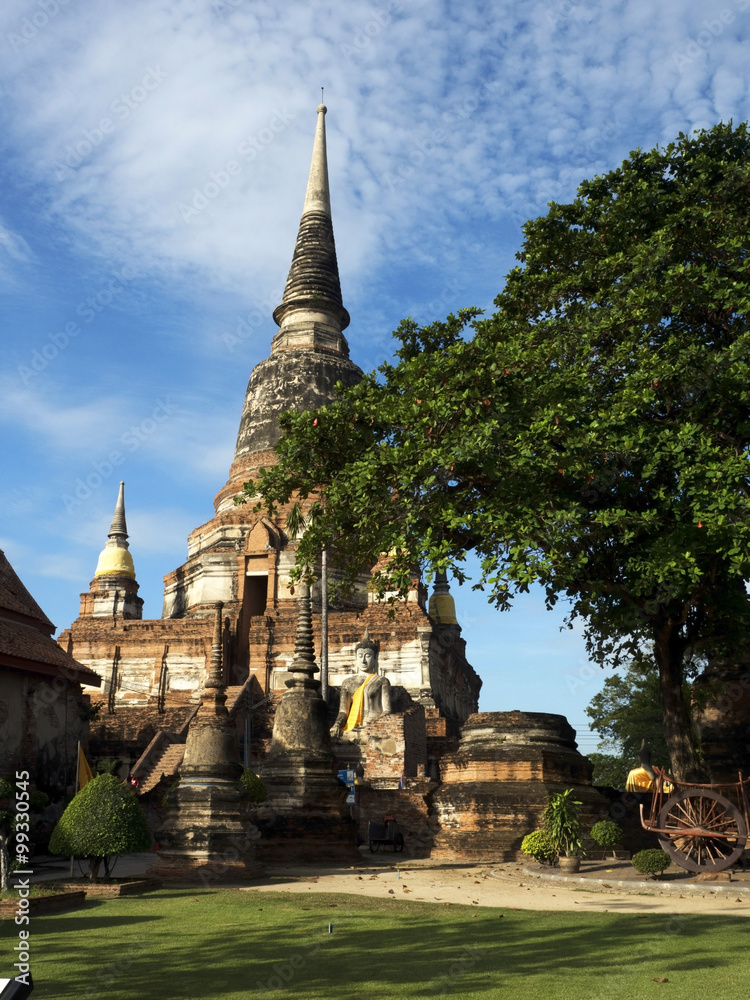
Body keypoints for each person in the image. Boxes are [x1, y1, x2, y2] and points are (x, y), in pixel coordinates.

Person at [330, 630, 392, 737]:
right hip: (352, 726)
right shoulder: (348, 683)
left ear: (375, 658)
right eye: (360, 656)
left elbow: (387, 710)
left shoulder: (381, 681)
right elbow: (343, 712)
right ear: (355, 658)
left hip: (373, 726)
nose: (363, 660)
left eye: (367, 656)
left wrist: (375, 725)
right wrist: (337, 724)